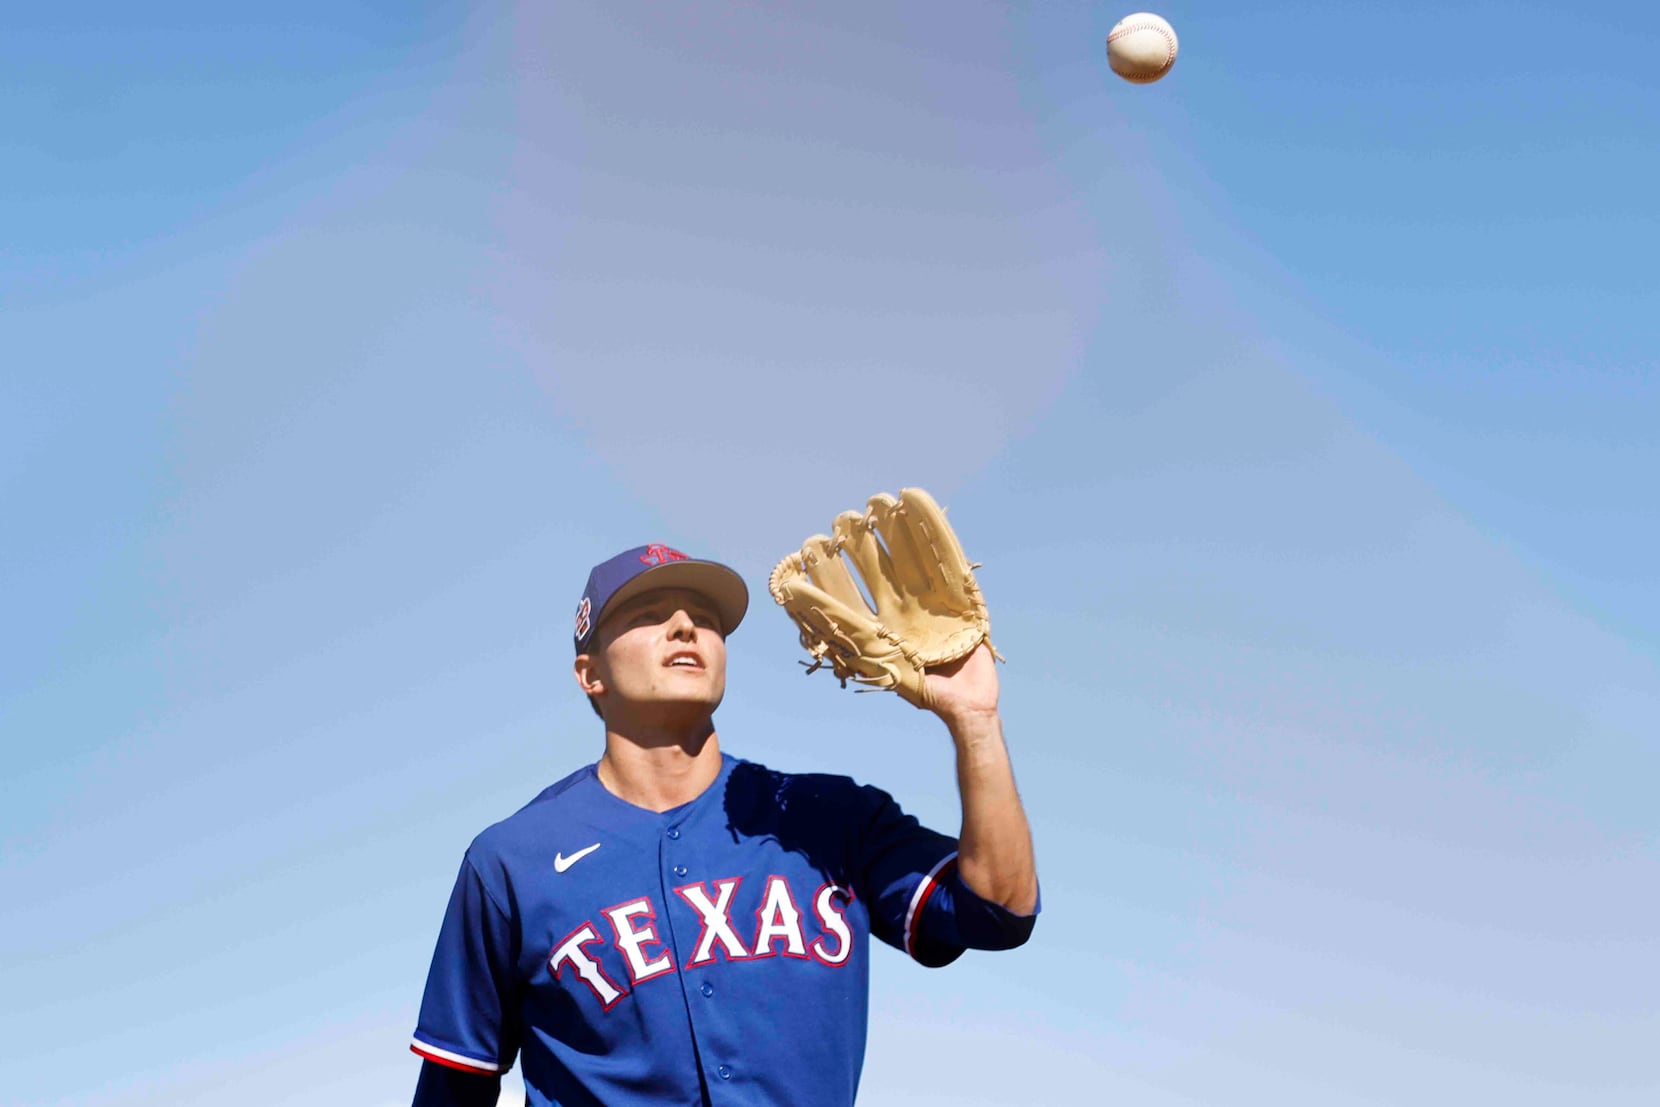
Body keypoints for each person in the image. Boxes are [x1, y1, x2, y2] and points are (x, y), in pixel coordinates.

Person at [410, 543, 1039, 1107]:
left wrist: (974, 719)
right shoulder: (512, 860)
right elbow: (455, 1087)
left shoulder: (824, 817)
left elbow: (999, 914)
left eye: (705, 618)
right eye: (648, 614)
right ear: (590, 674)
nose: (686, 626)